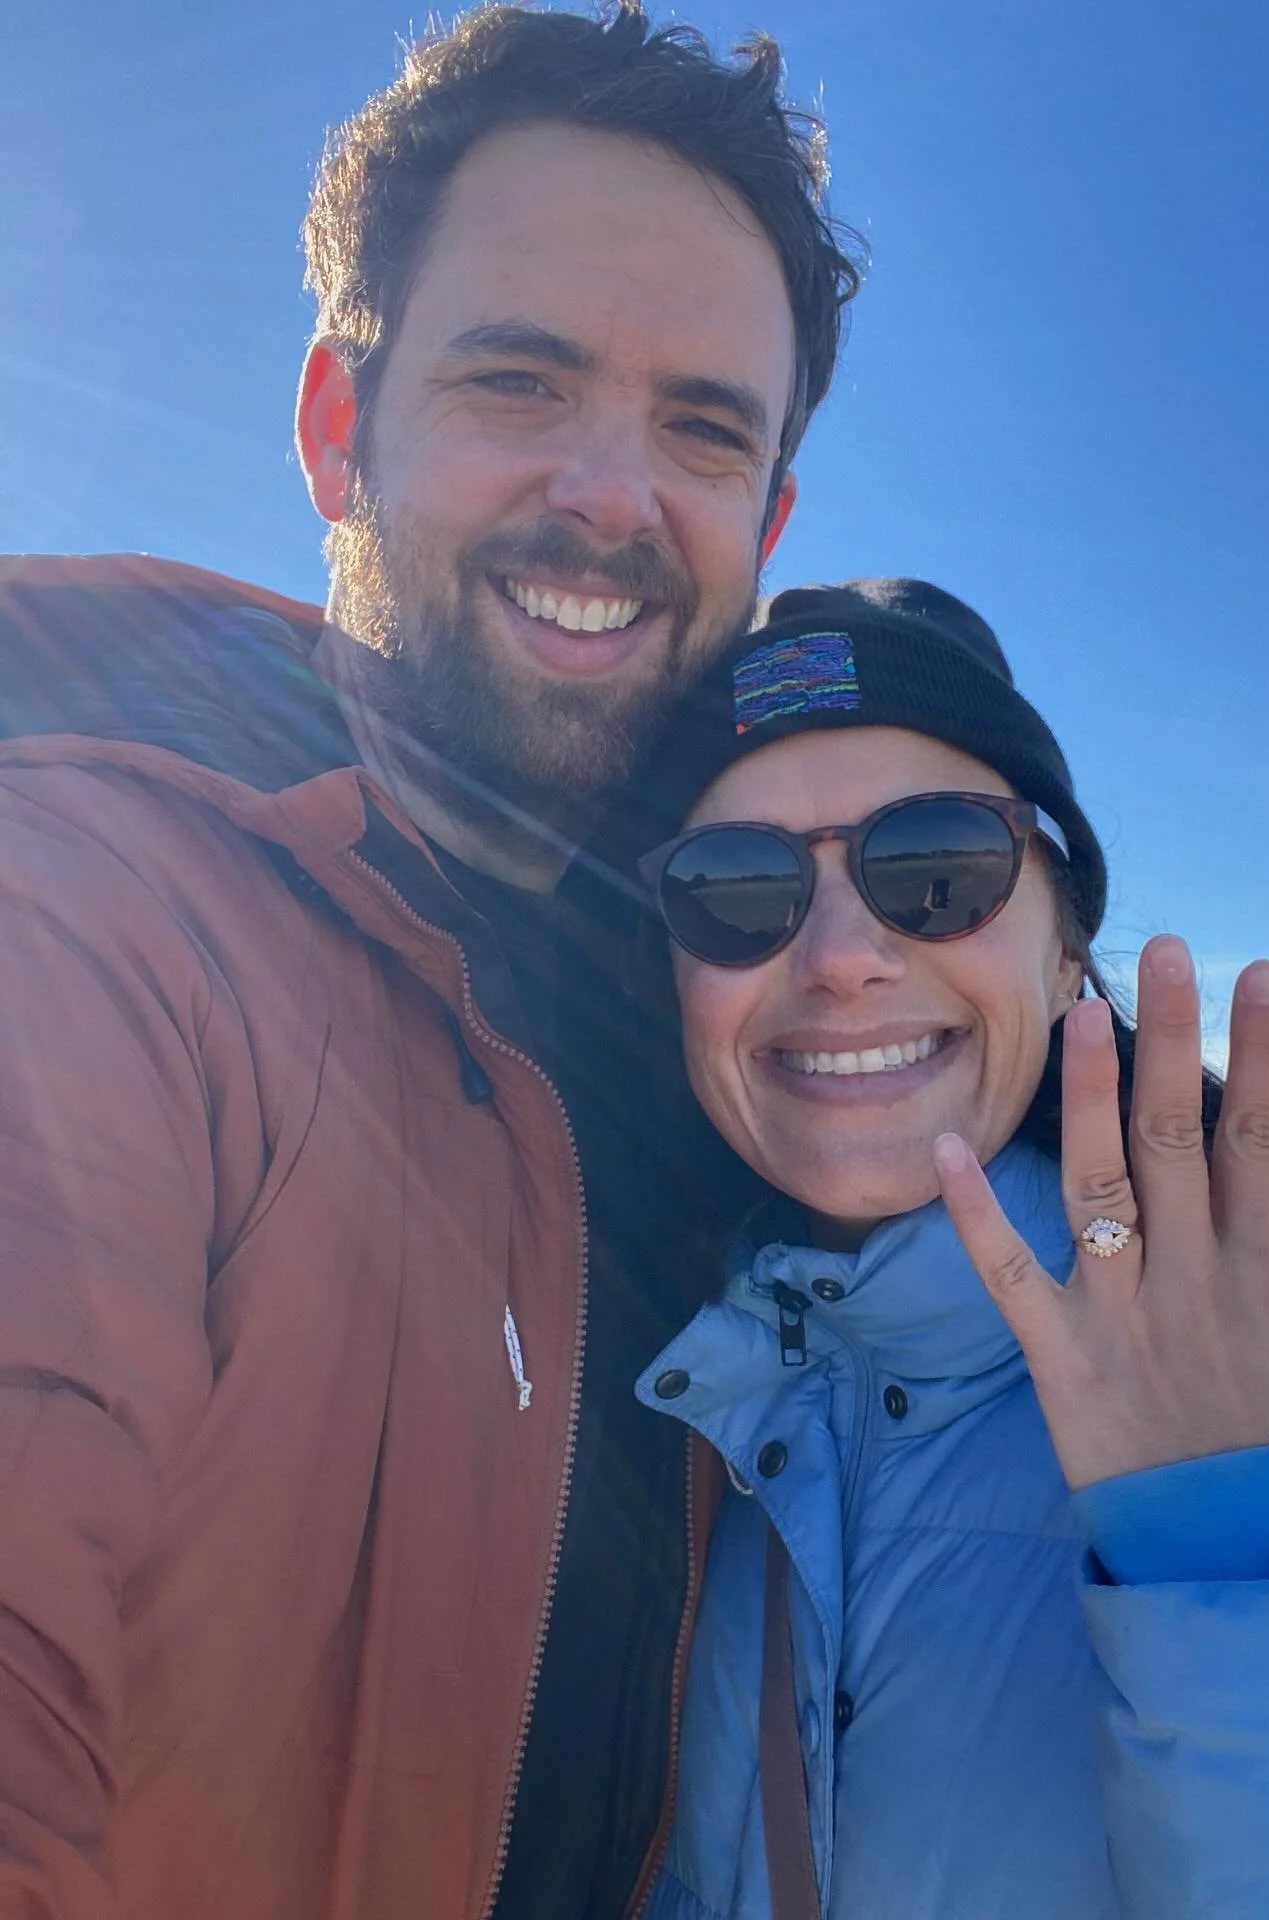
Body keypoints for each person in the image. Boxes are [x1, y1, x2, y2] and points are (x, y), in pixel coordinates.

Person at [0, 7, 860, 1916]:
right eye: (521, 383)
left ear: (769, 523)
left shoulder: (713, 1019)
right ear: (336, 428)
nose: (615, 497)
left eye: (703, 429)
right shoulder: (89, 913)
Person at [611, 578, 1269, 1919]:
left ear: (1069, 953)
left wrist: (1265, 1557)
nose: (839, 958)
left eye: (934, 867)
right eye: (736, 887)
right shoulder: (650, 1387)